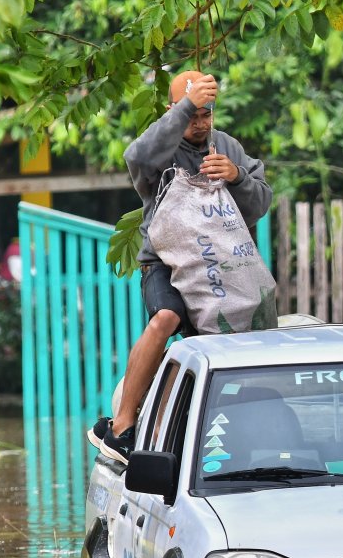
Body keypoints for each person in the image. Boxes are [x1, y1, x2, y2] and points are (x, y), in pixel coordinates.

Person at [88, 70, 272, 464]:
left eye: (206, 114)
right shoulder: (159, 148)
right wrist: (187, 104)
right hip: (165, 266)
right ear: (174, 110)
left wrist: (237, 177)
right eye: (191, 114)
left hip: (221, 271)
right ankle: (120, 427)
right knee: (167, 317)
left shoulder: (227, 147)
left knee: (244, 334)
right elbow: (135, 158)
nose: (201, 123)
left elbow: (259, 203)